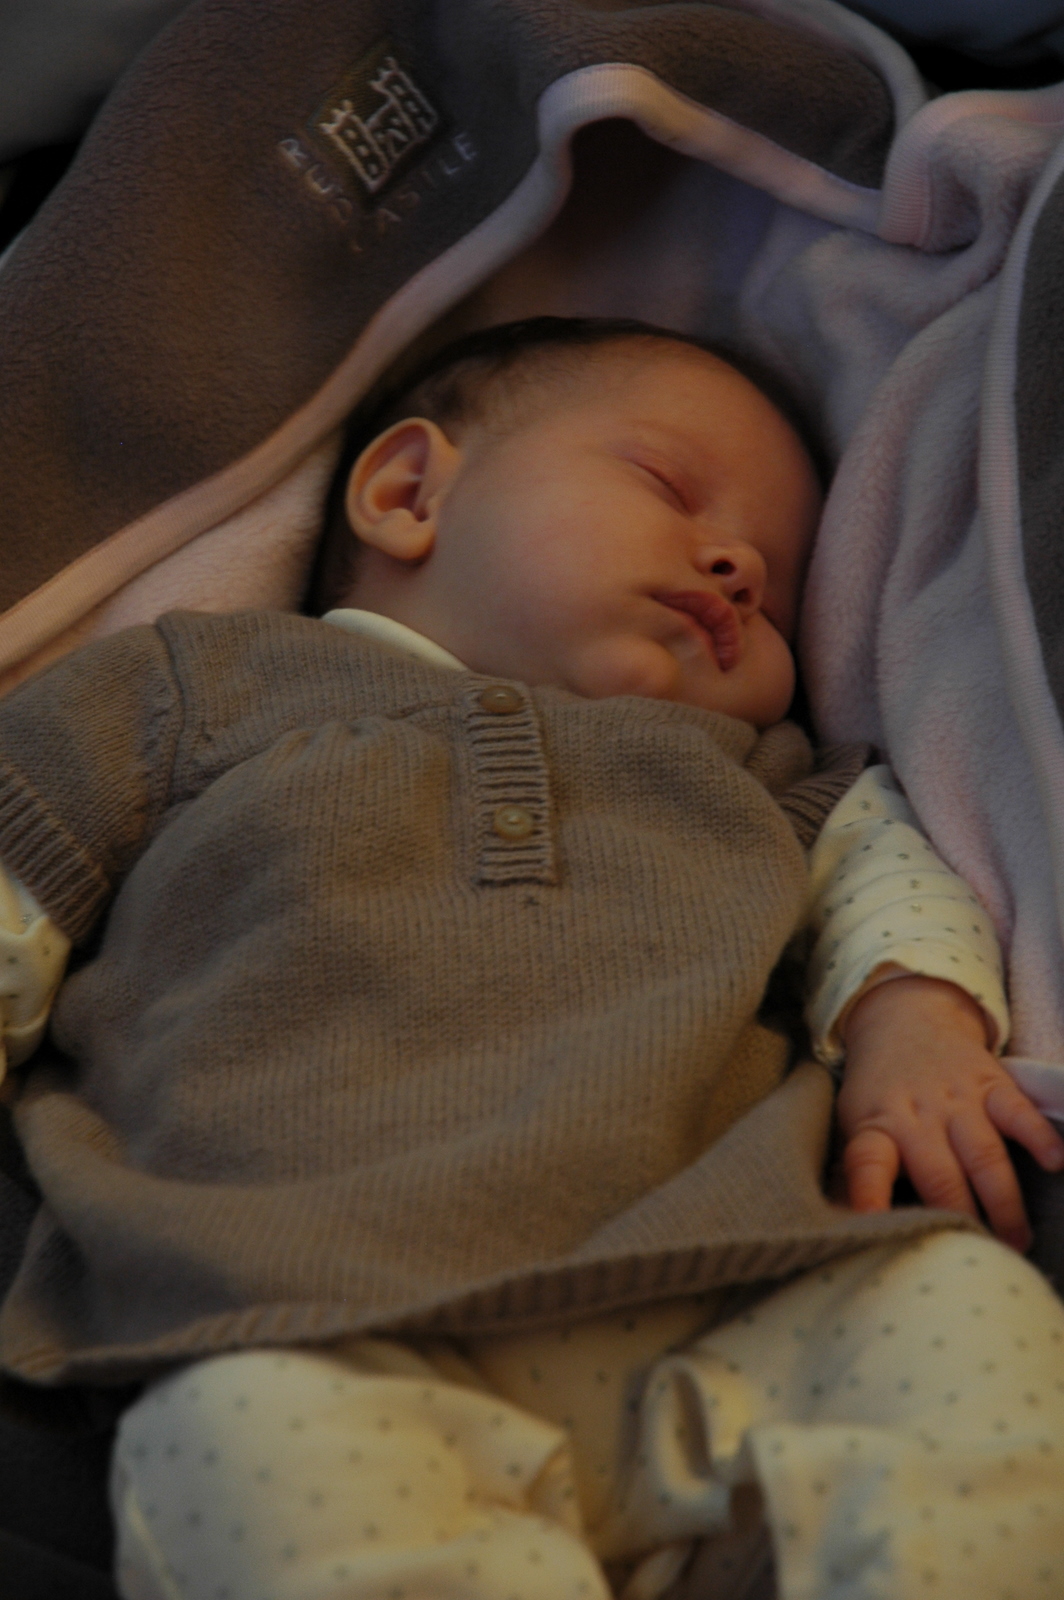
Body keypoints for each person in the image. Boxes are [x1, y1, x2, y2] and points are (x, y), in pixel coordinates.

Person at [0, 317, 1061, 1600]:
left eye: (777, 595)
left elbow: (886, 881)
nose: (735, 565)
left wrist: (915, 1025)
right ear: (409, 492)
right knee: (242, 1439)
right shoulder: (203, 687)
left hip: (735, 1277)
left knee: (964, 1312)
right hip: (308, 1296)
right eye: (667, 486)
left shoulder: (756, 776)